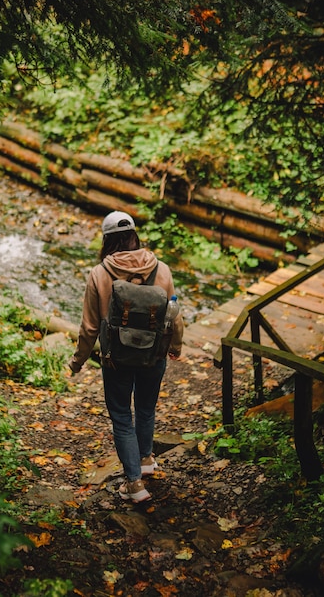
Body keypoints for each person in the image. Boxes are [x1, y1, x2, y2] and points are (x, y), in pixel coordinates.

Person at [69, 211, 183, 503]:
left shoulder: (100, 273)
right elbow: (175, 316)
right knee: (145, 409)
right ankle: (146, 460)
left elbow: (90, 326)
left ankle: (134, 484)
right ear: (135, 236)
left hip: (115, 358)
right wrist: (176, 347)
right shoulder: (162, 269)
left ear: (107, 240)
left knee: (122, 415)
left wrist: (78, 360)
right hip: (153, 355)